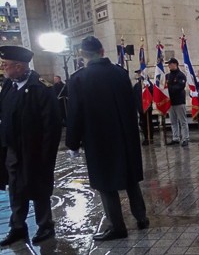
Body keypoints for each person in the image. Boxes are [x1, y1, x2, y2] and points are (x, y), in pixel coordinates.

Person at [66, 36, 149, 241]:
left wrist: (72, 143)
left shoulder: (78, 79)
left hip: (98, 140)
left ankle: (116, 226)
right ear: (103, 51)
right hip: (125, 137)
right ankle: (141, 217)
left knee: (106, 184)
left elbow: (75, 114)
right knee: (130, 179)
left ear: (83, 55)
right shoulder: (121, 73)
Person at [0, 46, 62, 246]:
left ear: (18, 66)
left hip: (35, 151)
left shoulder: (40, 87)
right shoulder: (9, 86)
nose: (3, 69)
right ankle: (17, 226)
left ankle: (45, 225)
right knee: (15, 188)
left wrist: (46, 156)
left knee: (39, 188)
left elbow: (51, 125)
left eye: (5, 65)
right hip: (12, 149)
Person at [165, 58, 189, 146]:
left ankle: (185, 138)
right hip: (170, 102)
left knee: (182, 121)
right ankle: (175, 138)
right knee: (173, 121)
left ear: (175, 64)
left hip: (179, 101)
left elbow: (179, 87)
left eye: (170, 64)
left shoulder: (181, 75)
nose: (169, 66)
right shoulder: (167, 76)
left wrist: (168, 89)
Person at [133, 70, 154, 145]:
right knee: (142, 123)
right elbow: (134, 96)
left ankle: (150, 137)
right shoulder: (136, 86)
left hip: (147, 107)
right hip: (140, 107)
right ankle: (145, 137)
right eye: (138, 74)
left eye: (139, 73)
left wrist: (148, 85)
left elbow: (152, 91)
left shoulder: (148, 84)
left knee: (149, 122)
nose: (138, 75)